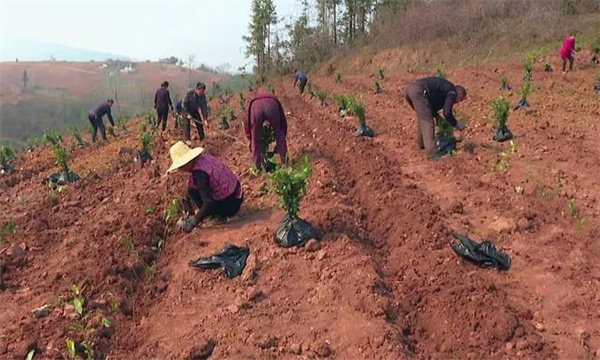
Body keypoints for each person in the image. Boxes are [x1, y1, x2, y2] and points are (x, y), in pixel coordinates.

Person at [167, 141, 244, 233]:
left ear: (186, 164)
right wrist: (187, 202)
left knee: (204, 201)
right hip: (237, 193)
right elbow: (191, 190)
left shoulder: (199, 175)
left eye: (181, 167)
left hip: (231, 204)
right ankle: (209, 213)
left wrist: (195, 220)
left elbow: (209, 202)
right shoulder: (204, 159)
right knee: (192, 191)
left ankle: (216, 216)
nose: (180, 170)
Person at [404, 77, 467, 160]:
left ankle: (421, 144)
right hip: (419, 91)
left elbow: (430, 107)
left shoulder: (445, 89)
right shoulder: (452, 92)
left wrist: (437, 116)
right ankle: (432, 154)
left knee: (423, 116)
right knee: (427, 121)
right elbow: (447, 112)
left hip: (410, 89)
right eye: (459, 100)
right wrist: (456, 124)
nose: (457, 102)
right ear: (460, 94)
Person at [245, 92, 288, 169]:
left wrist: (250, 138)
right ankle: (285, 161)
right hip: (272, 105)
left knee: (255, 140)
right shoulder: (274, 99)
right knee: (279, 133)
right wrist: (282, 135)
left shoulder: (252, 103)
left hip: (256, 108)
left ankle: (257, 166)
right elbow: (282, 122)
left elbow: (247, 123)